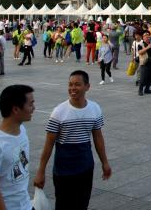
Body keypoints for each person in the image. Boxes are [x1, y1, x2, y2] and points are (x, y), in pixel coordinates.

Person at [34, 70, 111, 210]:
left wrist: (105, 162)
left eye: (77, 84)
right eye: (70, 85)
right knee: (63, 205)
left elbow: (98, 137)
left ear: (87, 87)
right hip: (64, 170)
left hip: (85, 167)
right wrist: (41, 171)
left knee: (82, 204)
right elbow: (49, 144)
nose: (72, 88)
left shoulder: (95, 109)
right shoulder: (59, 112)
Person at [0, 85, 35, 210]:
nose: (34, 108)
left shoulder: (21, 130)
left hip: (24, 204)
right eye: (30, 104)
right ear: (15, 109)